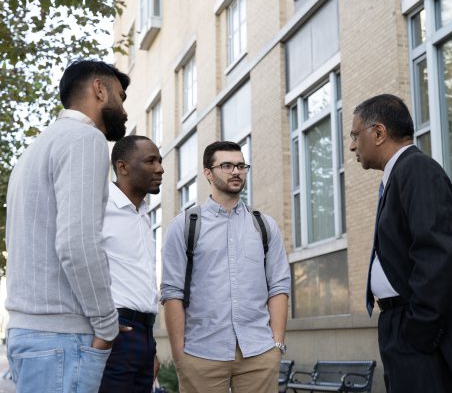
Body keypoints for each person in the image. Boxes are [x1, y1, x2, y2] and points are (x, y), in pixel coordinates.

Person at [350, 94, 452, 392]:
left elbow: (437, 256)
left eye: (355, 135)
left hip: (419, 332)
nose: (352, 145)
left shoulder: (416, 170)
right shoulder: (397, 176)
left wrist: (418, 331)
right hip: (401, 323)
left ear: (379, 133)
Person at [5, 59, 130, 392]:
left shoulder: (36, 149)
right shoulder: (84, 139)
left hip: (30, 336)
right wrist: (107, 327)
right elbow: (77, 244)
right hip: (62, 340)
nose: (125, 110)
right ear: (99, 89)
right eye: (120, 96)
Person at [161, 141, 291, 393]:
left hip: (259, 353)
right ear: (207, 173)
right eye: (227, 165)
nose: (236, 171)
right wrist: (180, 357)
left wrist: (276, 345)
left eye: (241, 165)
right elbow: (171, 291)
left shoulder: (264, 225)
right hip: (201, 354)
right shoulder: (185, 225)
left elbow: (279, 286)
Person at [98, 135, 164, 392]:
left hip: (144, 334)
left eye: (160, 161)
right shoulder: (100, 205)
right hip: (115, 333)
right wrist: (101, 324)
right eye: (150, 161)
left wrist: (150, 347)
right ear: (123, 167)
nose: (160, 168)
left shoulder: (144, 213)